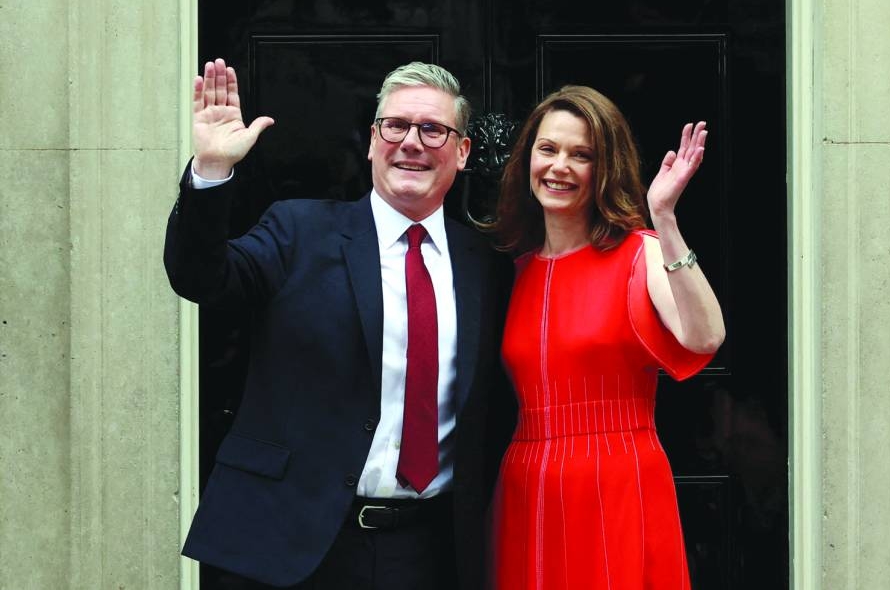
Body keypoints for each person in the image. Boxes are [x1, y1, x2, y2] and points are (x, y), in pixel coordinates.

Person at [164, 58, 512, 589]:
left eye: (433, 129)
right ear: (372, 141)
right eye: (395, 126)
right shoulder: (297, 229)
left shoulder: (487, 263)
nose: (411, 143)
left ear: (462, 152)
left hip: (428, 551)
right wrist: (211, 172)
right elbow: (201, 279)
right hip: (288, 542)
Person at [487, 85, 725, 589]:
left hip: (617, 476)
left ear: (604, 169)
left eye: (582, 155)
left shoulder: (639, 253)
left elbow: (705, 336)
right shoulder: (511, 270)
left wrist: (664, 217)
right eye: (548, 149)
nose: (559, 167)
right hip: (526, 482)